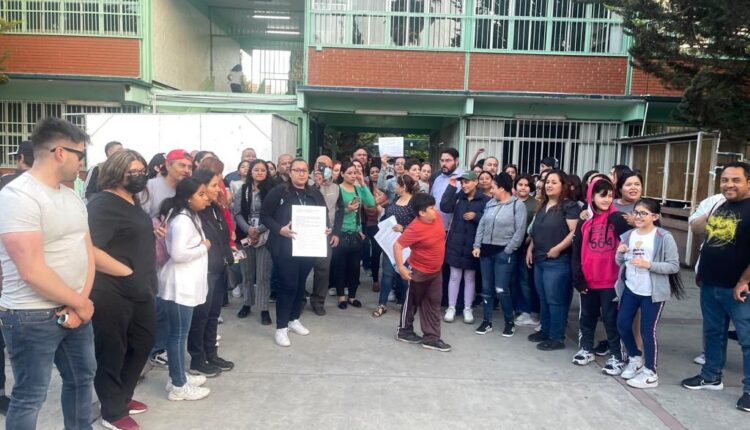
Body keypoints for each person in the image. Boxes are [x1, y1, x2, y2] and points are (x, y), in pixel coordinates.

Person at [0, 117, 96, 429]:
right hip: (30, 316)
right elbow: (31, 270)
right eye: (80, 155)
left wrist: (80, 300)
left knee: (82, 379)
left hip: (75, 308)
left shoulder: (70, 195)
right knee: (31, 395)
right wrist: (80, 303)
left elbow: (86, 250)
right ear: (59, 152)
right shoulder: (18, 196)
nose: (82, 163)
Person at [87, 149, 157, 430]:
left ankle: (123, 395)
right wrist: (126, 271)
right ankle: (112, 411)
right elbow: (89, 248)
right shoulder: (102, 204)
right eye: (134, 172)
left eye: (143, 171)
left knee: (143, 341)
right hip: (111, 290)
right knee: (112, 350)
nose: (140, 176)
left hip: (139, 288)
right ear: (116, 173)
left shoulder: (132, 200)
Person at [682, 162, 750, 411]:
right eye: (724, 180)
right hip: (710, 283)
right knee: (713, 333)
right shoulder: (721, 205)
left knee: (747, 339)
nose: (729, 184)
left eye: (735, 180)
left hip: (738, 288)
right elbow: (698, 228)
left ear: (749, 182)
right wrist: (712, 210)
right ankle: (710, 376)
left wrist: (744, 281)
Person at [262, 159, 332, 347]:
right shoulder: (279, 191)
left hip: (308, 247)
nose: (301, 174)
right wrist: (279, 230)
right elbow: (265, 215)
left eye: (304, 170)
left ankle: (293, 319)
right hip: (285, 247)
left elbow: (324, 215)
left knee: (301, 285)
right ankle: (281, 328)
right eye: (297, 170)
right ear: (290, 172)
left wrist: (326, 228)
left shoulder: (314, 192)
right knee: (287, 285)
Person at [616, 198, 684, 389]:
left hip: (651, 293)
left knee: (647, 332)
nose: (638, 216)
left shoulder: (663, 237)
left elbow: (673, 266)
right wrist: (620, 253)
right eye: (636, 212)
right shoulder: (628, 235)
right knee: (622, 324)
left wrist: (649, 265)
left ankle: (650, 372)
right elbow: (619, 261)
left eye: (643, 213)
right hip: (631, 288)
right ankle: (635, 358)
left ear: (655, 216)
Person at [157, 177, 212, 401]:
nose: (206, 197)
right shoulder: (182, 221)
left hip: (186, 283)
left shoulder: (190, 216)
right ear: (188, 197)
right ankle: (179, 386)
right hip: (179, 285)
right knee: (178, 335)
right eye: (201, 194)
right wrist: (203, 247)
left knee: (179, 333)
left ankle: (177, 376)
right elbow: (178, 254)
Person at [570, 177, 629, 376]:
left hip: (611, 280)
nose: (606, 199)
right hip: (589, 278)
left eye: (610, 195)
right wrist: (578, 277)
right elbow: (577, 249)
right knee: (587, 316)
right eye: (601, 195)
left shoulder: (618, 218)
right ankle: (586, 348)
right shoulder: (585, 220)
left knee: (612, 319)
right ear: (591, 196)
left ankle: (617, 356)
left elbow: (628, 243)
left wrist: (620, 223)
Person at [188, 169, 235, 378]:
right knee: (201, 316)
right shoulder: (194, 212)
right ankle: (197, 360)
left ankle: (211, 354)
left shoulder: (215, 208)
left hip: (219, 267)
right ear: (201, 187)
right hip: (204, 270)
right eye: (215, 185)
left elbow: (223, 237)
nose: (219, 189)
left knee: (213, 314)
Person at [526, 170, 580, 351]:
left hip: (558, 261)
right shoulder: (543, 205)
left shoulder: (569, 206)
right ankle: (545, 331)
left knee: (555, 300)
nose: (549, 185)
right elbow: (536, 230)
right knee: (543, 298)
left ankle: (557, 337)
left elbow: (574, 232)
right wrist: (530, 248)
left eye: (554, 182)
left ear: (563, 185)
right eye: (547, 181)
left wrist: (557, 249)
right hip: (540, 258)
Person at [394, 193, 451, 352]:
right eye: (431, 208)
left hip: (435, 271)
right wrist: (401, 267)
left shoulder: (437, 218)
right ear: (421, 213)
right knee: (411, 302)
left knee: (433, 303)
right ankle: (404, 331)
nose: (436, 210)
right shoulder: (414, 228)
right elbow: (397, 246)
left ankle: (431, 338)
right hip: (418, 271)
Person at [472, 173, 527, 336]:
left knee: (501, 289)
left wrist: (508, 250)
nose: (491, 191)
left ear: (502, 188)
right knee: (487, 289)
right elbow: (481, 226)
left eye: (494, 187)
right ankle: (486, 321)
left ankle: (509, 321)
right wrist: (477, 245)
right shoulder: (490, 203)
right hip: (486, 252)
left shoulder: (517, 205)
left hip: (504, 252)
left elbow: (520, 231)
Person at [440, 172, 490, 324]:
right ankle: (451, 307)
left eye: (467, 182)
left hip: (473, 245)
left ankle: (468, 308)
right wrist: (451, 187)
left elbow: (490, 220)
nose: (464, 185)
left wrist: (476, 216)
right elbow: (444, 206)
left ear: (476, 182)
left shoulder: (486, 200)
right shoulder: (458, 197)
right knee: (454, 276)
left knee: (470, 277)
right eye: (463, 183)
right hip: (455, 243)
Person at [372, 174, 419, 317]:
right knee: (387, 274)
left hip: (406, 246)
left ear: (403, 186)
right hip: (390, 243)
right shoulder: (396, 199)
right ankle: (382, 304)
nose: (395, 187)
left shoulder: (414, 203)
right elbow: (387, 215)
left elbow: (418, 224)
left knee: (404, 275)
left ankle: (405, 304)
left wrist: (403, 228)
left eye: (397, 185)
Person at [234, 159, 274, 324]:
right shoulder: (242, 190)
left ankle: (264, 308)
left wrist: (259, 230)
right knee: (247, 272)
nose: (259, 173)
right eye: (256, 170)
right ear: (250, 172)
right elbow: (236, 213)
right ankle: (247, 303)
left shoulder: (272, 191)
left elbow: (275, 214)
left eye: (263, 170)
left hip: (265, 236)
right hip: (246, 235)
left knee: (263, 274)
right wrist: (248, 229)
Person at [332, 161, 375, 309]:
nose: (352, 176)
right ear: (342, 174)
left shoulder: (358, 188)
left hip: (356, 234)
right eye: (349, 173)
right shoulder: (337, 189)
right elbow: (331, 211)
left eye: (355, 173)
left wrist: (363, 184)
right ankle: (341, 297)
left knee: (355, 268)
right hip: (341, 233)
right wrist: (346, 209)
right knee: (340, 267)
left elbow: (371, 203)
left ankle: (352, 296)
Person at [310, 155, 343, 315]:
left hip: (326, 235)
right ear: (315, 165)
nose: (324, 168)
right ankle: (300, 299)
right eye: (321, 165)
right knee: (301, 268)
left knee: (323, 269)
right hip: (305, 234)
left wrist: (336, 232)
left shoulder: (336, 187)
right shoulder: (305, 182)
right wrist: (316, 185)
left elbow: (340, 210)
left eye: (328, 166)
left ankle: (318, 301)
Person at [510, 174, 538, 327]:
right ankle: (516, 308)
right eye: (520, 184)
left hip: (526, 247)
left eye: (526, 185)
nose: (523, 187)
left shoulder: (536, 204)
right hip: (509, 246)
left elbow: (534, 229)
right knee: (512, 280)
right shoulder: (511, 202)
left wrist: (527, 241)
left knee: (524, 280)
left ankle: (526, 310)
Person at [141, 149, 192, 218]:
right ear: (168, 165)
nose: (187, 170)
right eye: (182, 165)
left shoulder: (187, 190)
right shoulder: (150, 186)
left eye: (189, 167)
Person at [363, 164, 388, 292]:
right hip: (372, 223)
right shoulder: (365, 188)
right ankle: (376, 280)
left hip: (385, 222)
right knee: (376, 251)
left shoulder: (384, 187)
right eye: (372, 171)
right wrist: (378, 202)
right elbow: (368, 206)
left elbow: (388, 200)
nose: (375, 174)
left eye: (377, 171)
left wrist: (377, 202)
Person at [432, 148, 464, 230]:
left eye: (448, 160)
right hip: (435, 227)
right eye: (442, 161)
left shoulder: (463, 178)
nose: (444, 164)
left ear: (456, 161)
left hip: (454, 229)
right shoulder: (437, 178)